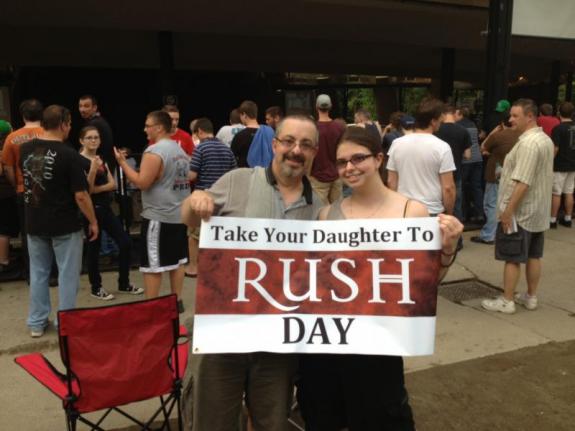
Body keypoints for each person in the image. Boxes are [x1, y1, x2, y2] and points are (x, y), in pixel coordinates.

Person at [297, 126, 462, 431]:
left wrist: (447, 249)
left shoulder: (410, 213)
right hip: (327, 347)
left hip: (379, 348)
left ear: (378, 159)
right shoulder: (326, 215)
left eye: (358, 158)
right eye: (342, 162)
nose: (349, 168)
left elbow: (422, 287)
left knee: (381, 418)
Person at [181, 115, 323, 431]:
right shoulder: (238, 181)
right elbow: (187, 217)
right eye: (288, 141)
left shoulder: (322, 210)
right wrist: (196, 200)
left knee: (272, 423)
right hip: (223, 336)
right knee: (213, 423)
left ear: (314, 151)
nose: (296, 150)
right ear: (274, 144)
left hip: (278, 345)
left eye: (306, 144)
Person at [20, 105, 98, 338]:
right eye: (70, 124)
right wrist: (93, 221)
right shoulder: (69, 154)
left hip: (34, 220)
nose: (70, 128)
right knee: (67, 274)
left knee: (38, 272)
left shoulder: (25, 148)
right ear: (64, 124)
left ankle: (36, 322)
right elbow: (81, 195)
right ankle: (65, 322)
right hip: (65, 223)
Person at [481, 99, 554, 314]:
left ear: (529, 116)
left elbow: (523, 181)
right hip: (538, 210)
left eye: (515, 116)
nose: (510, 119)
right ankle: (530, 296)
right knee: (533, 255)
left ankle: (507, 300)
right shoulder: (544, 140)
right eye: (510, 115)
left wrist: (508, 211)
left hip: (521, 212)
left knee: (512, 257)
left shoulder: (529, 144)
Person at [114, 111, 189, 310]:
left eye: (148, 125)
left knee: (152, 266)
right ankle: (176, 301)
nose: (145, 129)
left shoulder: (154, 151)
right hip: (179, 214)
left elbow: (142, 182)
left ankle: (152, 307)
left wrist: (122, 163)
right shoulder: (179, 150)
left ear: (159, 128)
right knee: (178, 261)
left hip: (159, 216)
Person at [79, 126, 142, 300]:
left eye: (96, 137)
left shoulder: (101, 159)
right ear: (81, 141)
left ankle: (123, 282)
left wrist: (96, 186)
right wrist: (92, 171)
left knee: (125, 242)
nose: (93, 140)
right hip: (90, 210)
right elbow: (86, 191)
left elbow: (112, 184)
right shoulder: (79, 161)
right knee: (94, 248)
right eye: (89, 137)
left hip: (105, 208)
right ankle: (96, 287)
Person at [185, 117, 237, 277]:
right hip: (222, 198)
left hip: (203, 196)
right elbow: (234, 173)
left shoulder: (200, 149)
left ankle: (194, 267)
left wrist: (185, 167)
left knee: (194, 236)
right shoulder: (226, 148)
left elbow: (192, 175)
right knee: (217, 236)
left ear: (200, 131)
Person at [387, 98, 456, 216]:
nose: (442, 122)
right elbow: (448, 187)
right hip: (432, 211)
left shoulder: (396, 144)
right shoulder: (442, 147)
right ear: (433, 121)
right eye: (440, 120)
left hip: (404, 210)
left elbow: (391, 182)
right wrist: (449, 213)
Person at [1, 99, 44, 277]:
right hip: (47, 191)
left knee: (28, 233)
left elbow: (8, 168)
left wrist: (17, 183)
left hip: (23, 190)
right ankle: (51, 272)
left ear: (23, 115)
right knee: (49, 231)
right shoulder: (48, 133)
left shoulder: (12, 138)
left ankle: (31, 273)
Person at [471, 116, 519, 244]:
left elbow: (483, 146)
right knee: (507, 203)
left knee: (491, 204)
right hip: (513, 175)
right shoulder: (521, 136)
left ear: (502, 124)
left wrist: (492, 133)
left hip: (495, 174)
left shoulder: (498, 136)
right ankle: (504, 231)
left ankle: (488, 235)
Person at [435, 105, 472, 223]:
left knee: (438, 208)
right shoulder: (463, 131)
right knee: (456, 207)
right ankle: (457, 238)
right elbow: (468, 155)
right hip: (456, 175)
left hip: (437, 176)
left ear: (442, 114)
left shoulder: (436, 130)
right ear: (453, 113)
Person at [309, 94, 345, 204]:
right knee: (337, 211)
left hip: (318, 176)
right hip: (336, 175)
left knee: (320, 212)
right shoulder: (339, 127)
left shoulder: (312, 128)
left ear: (316, 107)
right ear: (331, 107)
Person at [455, 106, 483, 222]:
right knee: (476, 187)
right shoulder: (473, 124)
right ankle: (479, 213)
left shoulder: (459, 126)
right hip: (478, 159)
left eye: (456, 114)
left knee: (462, 188)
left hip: (466, 160)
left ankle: (463, 215)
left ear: (461, 115)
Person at [549, 101, 575, 228]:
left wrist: (549, 162)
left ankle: (552, 220)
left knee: (556, 193)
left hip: (560, 165)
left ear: (559, 113)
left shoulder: (558, 129)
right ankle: (568, 218)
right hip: (573, 165)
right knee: (569, 192)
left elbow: (555, 148)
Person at [79, 95, 115, 170]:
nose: (82, 109)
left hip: (101, 167)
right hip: (103, 165)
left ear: (94, 108)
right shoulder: (97, 120)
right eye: (80, 106)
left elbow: (86, 149)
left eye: (86, 106)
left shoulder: (94, 124)